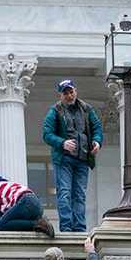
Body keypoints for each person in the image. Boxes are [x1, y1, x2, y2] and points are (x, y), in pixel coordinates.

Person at [42, 79, 102, 233]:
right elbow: (47, 134)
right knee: (64, 192)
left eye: (71, 92)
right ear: (60, 95)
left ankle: (80, 228)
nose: (69, 96)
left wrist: (97, 141)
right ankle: (66, 227)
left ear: (76, 91)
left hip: (82, 159)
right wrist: (62, 143)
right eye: (65, 93)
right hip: (64, 159)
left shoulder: (87, 109)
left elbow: (97, 127)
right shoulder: (55, 111)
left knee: (79, 195)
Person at [0, 166, 55, 237]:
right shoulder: (6, 185)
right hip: (38, 206)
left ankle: (38, 224)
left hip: (27, 202)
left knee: (1, 225)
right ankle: (41, 224)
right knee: (13, 224)